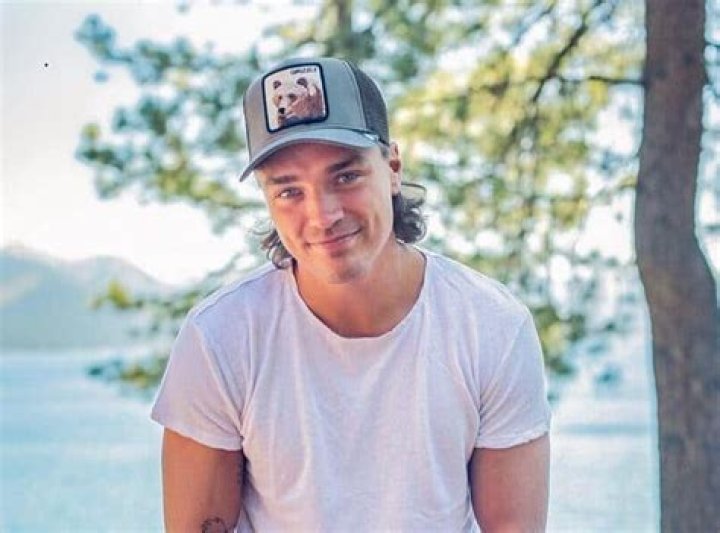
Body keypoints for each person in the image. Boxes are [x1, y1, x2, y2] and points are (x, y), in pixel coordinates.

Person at [151, 56, 551, 533]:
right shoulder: (220, 337)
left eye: (345, 176)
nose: (322, 216)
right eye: (289, 191)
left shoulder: (492, 326)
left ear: (393, 167)